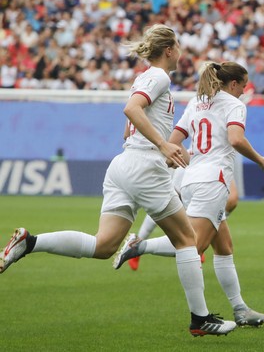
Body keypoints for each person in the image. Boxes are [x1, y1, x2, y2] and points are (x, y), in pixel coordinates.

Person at [0, 24, 236, 336]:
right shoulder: (159, 76)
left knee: (103, 245)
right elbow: (131, 108)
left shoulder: (145, 77)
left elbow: (135, 117)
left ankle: (30, 242)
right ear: (168, 50)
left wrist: (156, 140)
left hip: (124, 164)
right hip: (145, 167)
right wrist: (163, 144)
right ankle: (200, 319)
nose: (180, 51)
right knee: (188, 241)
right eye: (177, 46)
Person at [113, 61, 264, 327]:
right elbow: (235, 139)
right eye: (243, 86)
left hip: (193, 178)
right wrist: (258, 159)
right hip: (213, 181)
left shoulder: (197, 103)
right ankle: (139, 246)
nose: (244, 91)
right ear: (233, 84)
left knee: (224, 247)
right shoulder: (234, 105)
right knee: (193, 245)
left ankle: (240, 308)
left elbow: (173, 142)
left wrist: (195, 160)